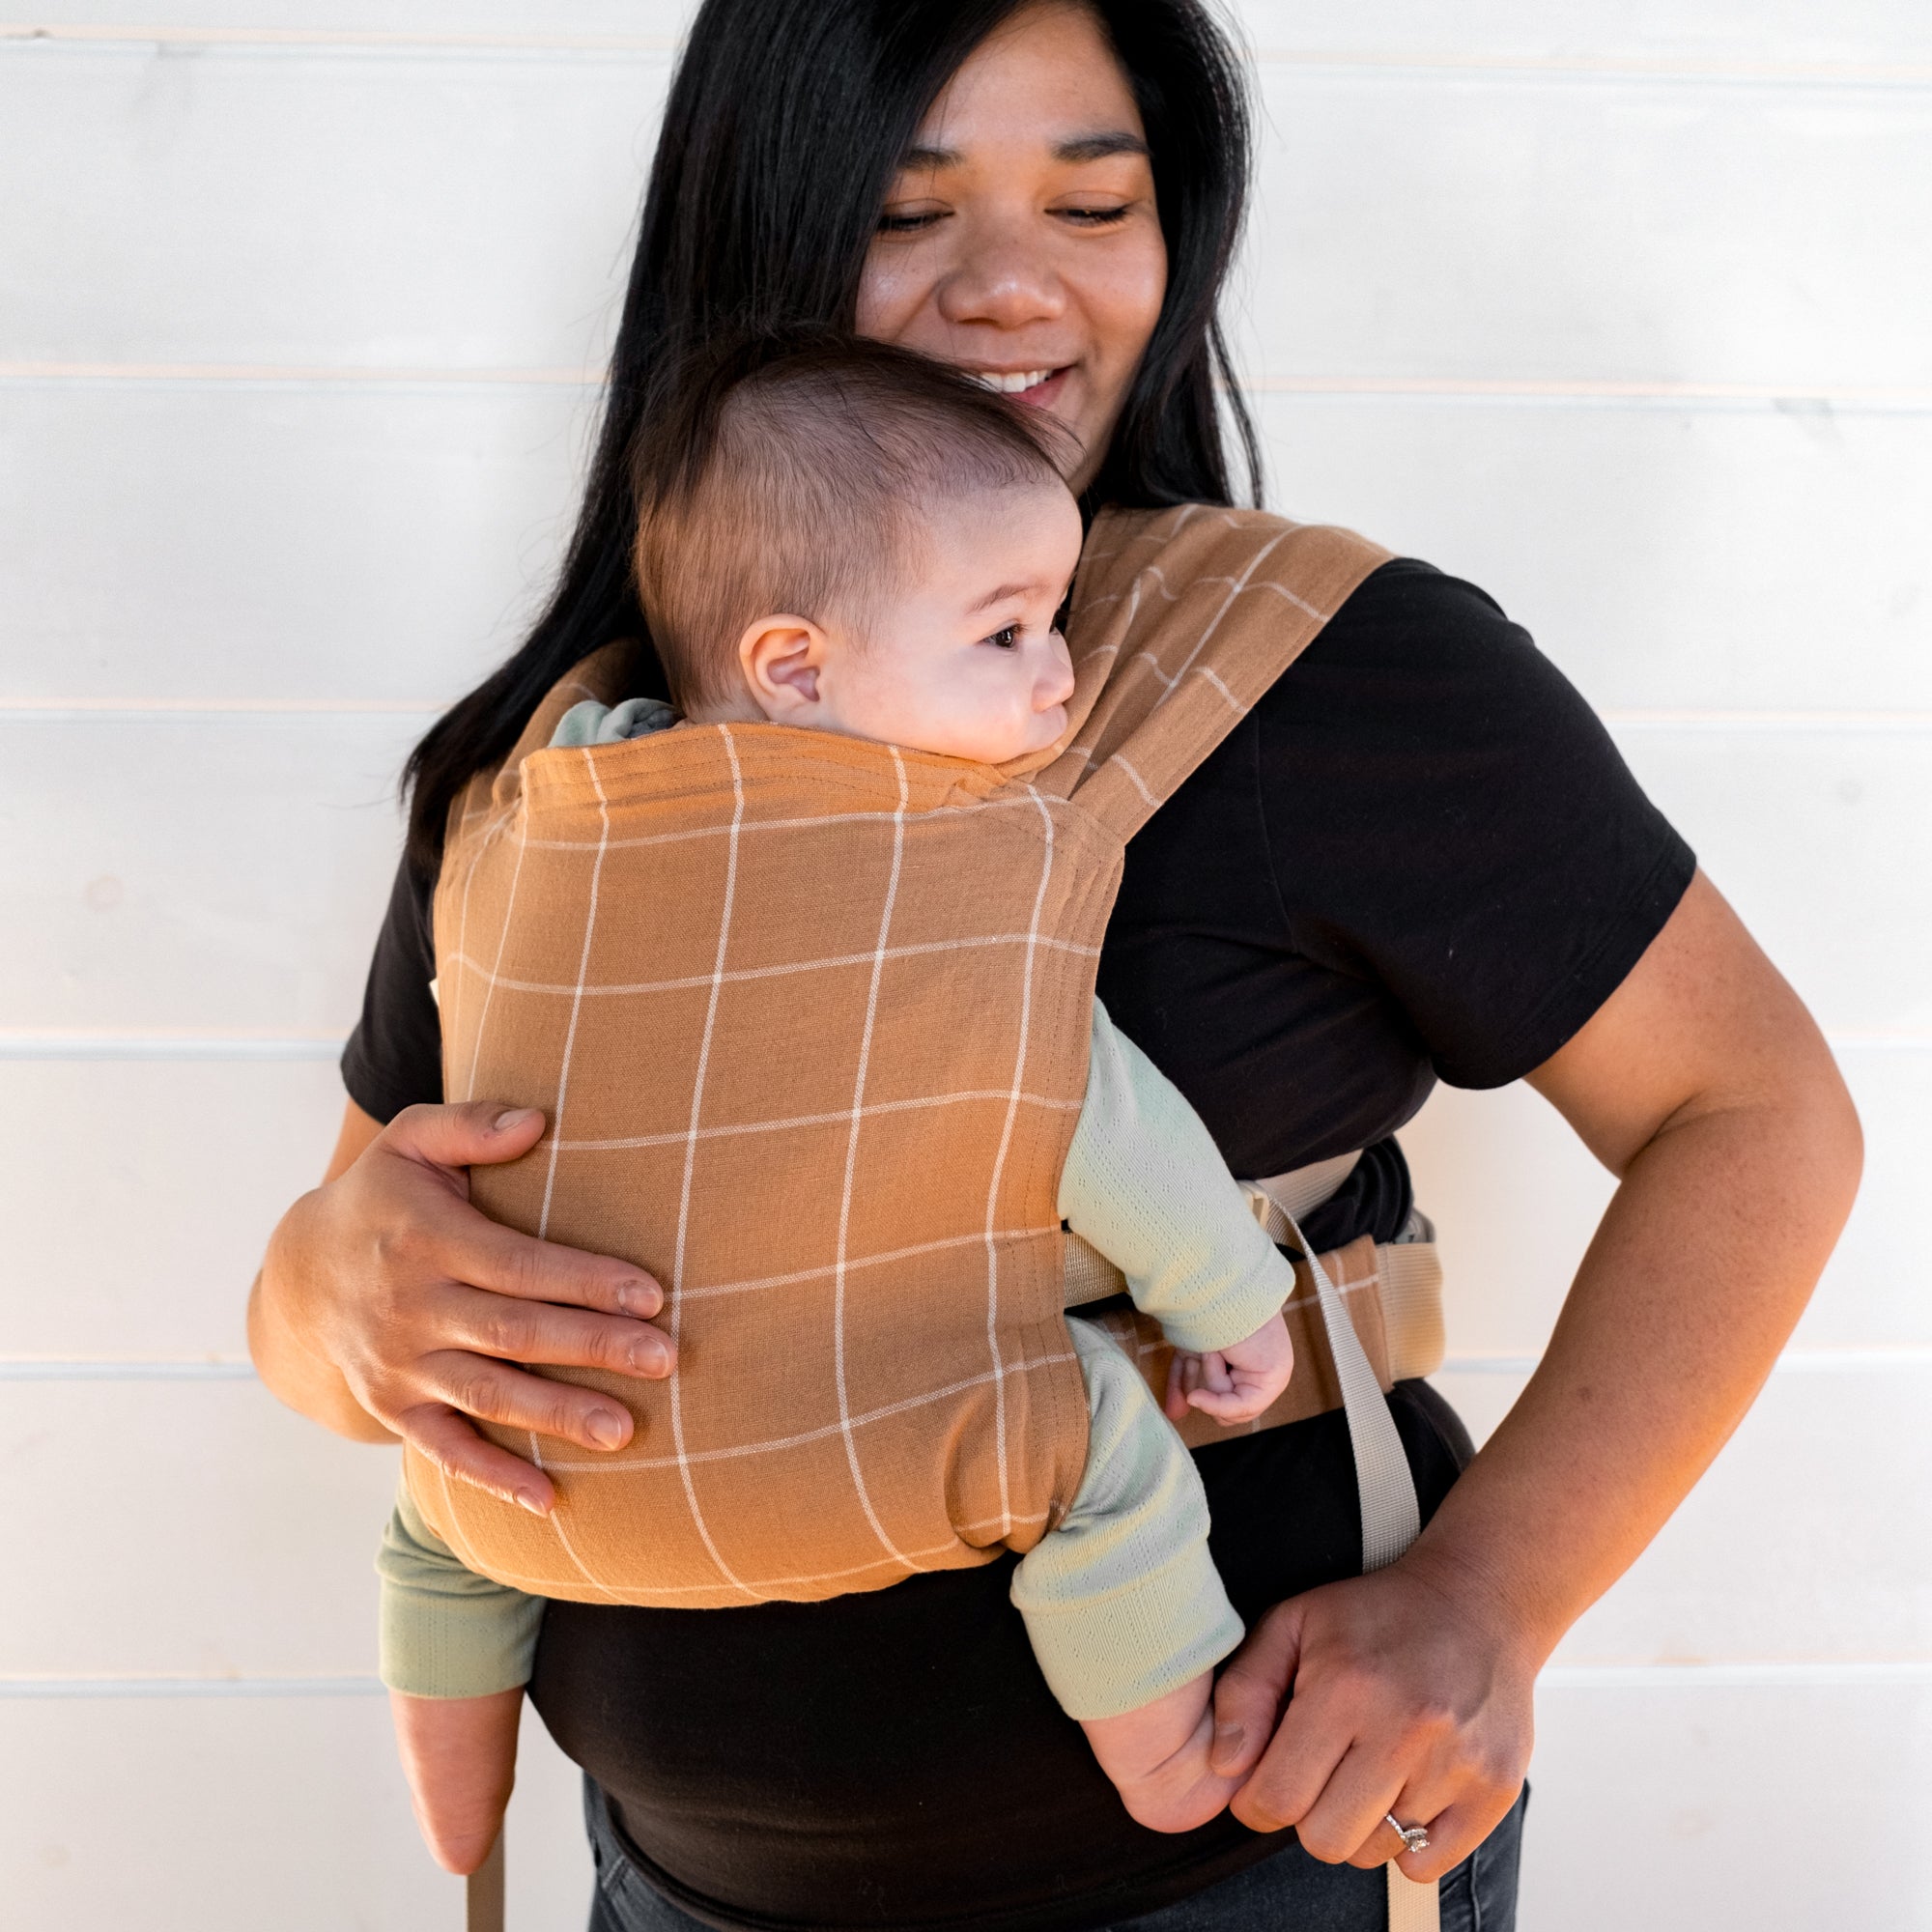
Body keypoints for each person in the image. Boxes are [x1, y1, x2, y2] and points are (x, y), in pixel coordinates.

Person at [248, 3, 1861, 1927]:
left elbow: (1756, 1112)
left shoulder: (1327, 673)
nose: (1015, 292)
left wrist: (1489, 1596)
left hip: (1247, 1870)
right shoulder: (568, 763)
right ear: (754, 233)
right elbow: (352, 1287)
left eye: (1094, 204)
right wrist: (316, 1291)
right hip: (669, 1887)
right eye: (908, 213)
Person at [378, 331, 1303, 1862]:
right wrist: (1232, 1307)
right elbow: (1100, 1124)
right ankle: (1164, 1762)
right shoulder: (956, 871)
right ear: (795, 667)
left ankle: (455, 1801)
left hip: (555, 1468)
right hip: (880, 1462)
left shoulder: (552, 806)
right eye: (1005, 634)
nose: (1062, 673)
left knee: (438, 1507)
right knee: (1107, 1449)